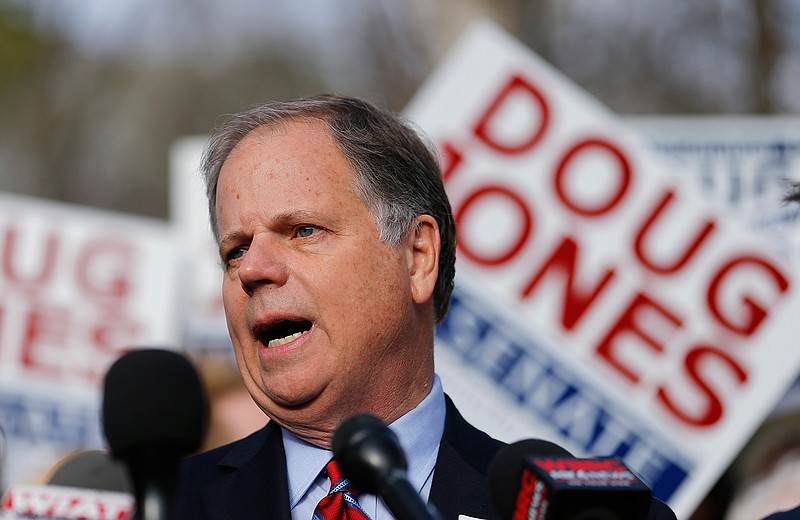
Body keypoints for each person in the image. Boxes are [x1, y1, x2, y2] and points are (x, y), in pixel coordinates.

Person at [175, 94, 676, 520]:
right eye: (234, 249)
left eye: (303, 231)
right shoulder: (161, 506)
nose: (253, 268)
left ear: (417, 257)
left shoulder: (575, 515)